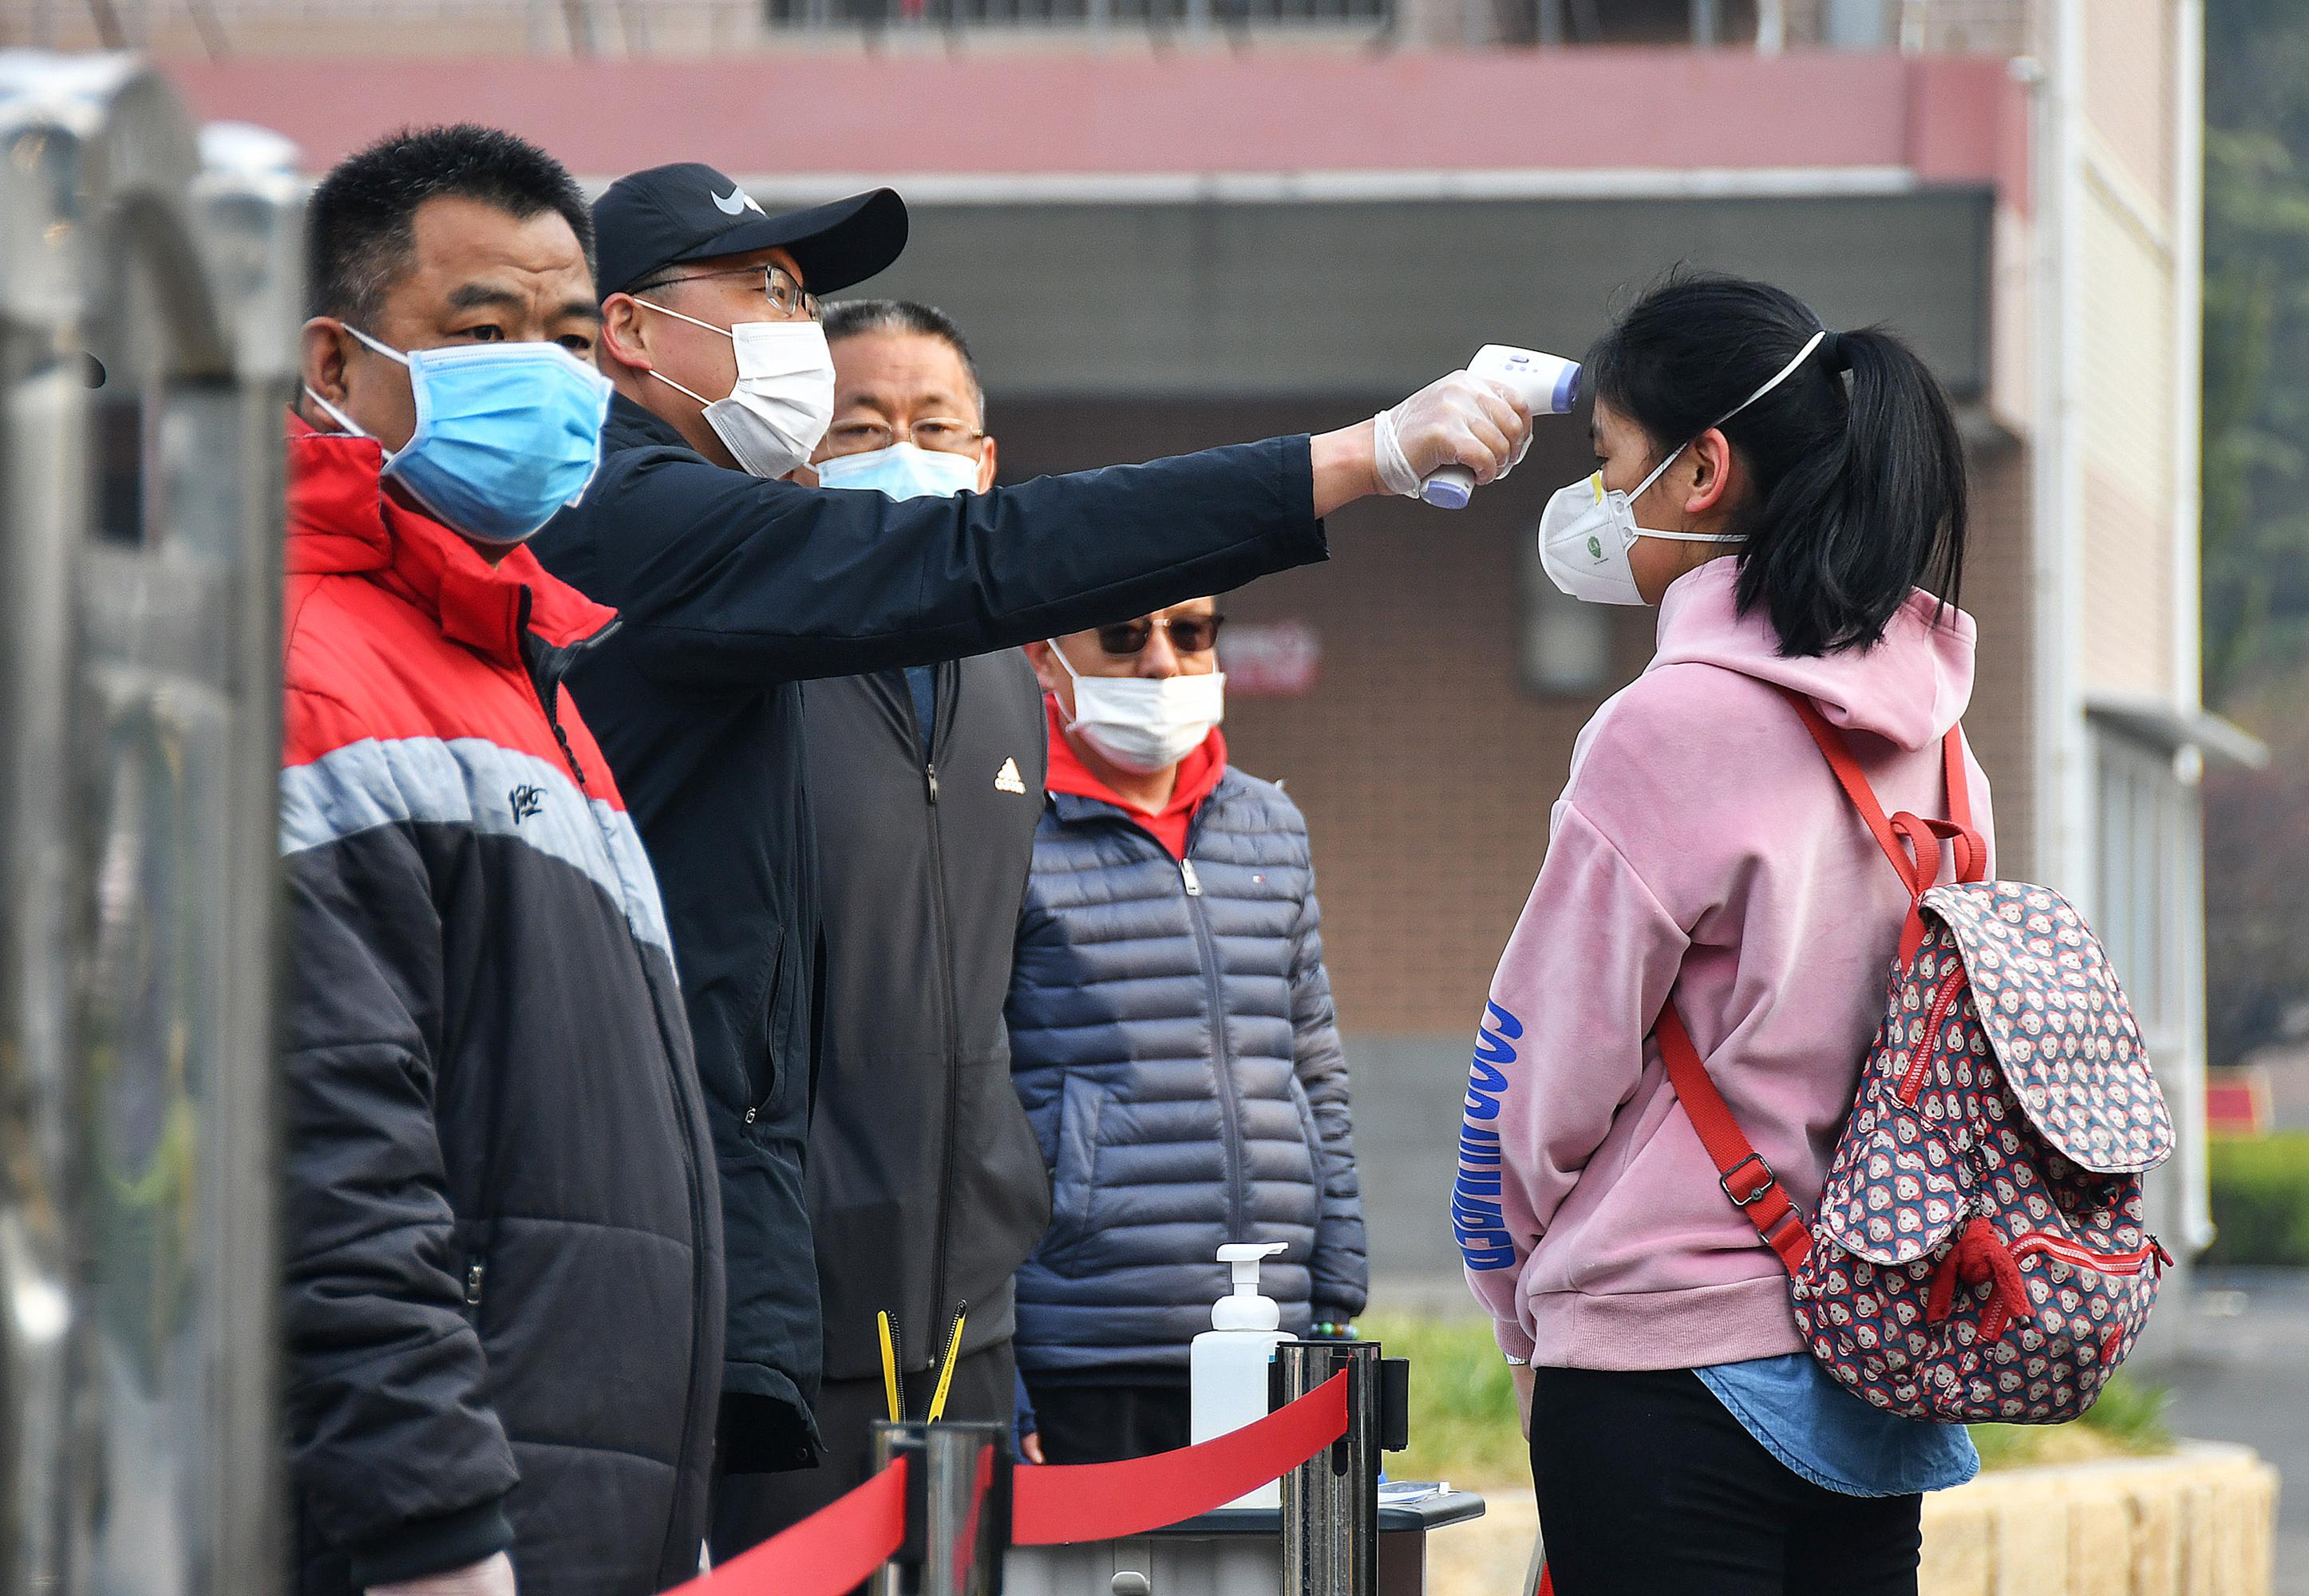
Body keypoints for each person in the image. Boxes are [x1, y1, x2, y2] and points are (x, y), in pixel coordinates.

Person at [527, 159, 1525, 1523]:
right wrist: (1354, 460)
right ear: (631, 331)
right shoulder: (634, 519)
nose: (794, 335)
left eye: (802, 300)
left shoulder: (962, 666)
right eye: (761, 292)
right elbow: (980, 559)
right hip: (748, 1284)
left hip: (953, 1310)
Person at [1457, 271, 1987, 1596]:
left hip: (1658, 1365)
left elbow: (1545, 1079)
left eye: (1605, 462)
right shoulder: (1940, 740)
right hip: (1870, 1361)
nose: (1590, 501)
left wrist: (1518, 1290)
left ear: (1700, 470)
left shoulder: (1667, 727)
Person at [279, 128, 719, 1596]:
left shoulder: (520, 659)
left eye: (571, 335)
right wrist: (436, 1543)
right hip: (448, 1536)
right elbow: (327, 1171)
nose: (545, 374)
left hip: (575, 1511)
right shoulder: (311, 671)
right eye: (484, 332)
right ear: (335, 369)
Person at [707, 298, 1053, 1551]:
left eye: (933, 425)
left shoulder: (1014, 676)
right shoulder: (746, 668)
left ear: (986, 464)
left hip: (973, 1305)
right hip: (799, 1310)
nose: (902, 450)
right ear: (804, 452)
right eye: (862, 425)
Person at [1005, 596, 1366, 1463]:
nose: (1164, 661)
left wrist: (1337, 1288)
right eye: (1126, 635)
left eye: (1192, 631)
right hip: (1087, 1346)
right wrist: (1003, 1370)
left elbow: (1312, 1058)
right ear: (1045, 661)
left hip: (1270, 1333)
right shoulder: (1007, 829)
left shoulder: (1268, 825)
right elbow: (967, 1098)